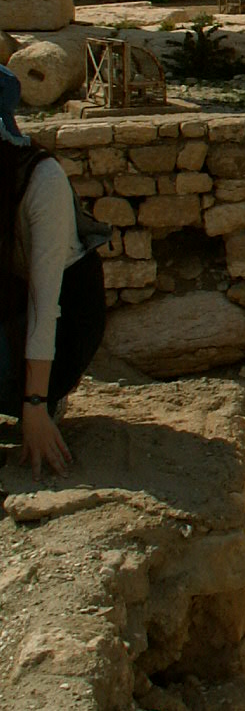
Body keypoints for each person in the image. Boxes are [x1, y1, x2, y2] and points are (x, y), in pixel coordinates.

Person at [0, 64, 108, 480]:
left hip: (64, 323)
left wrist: (34, 406)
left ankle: (41, 397)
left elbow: (46, 308)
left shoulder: (42, 181)